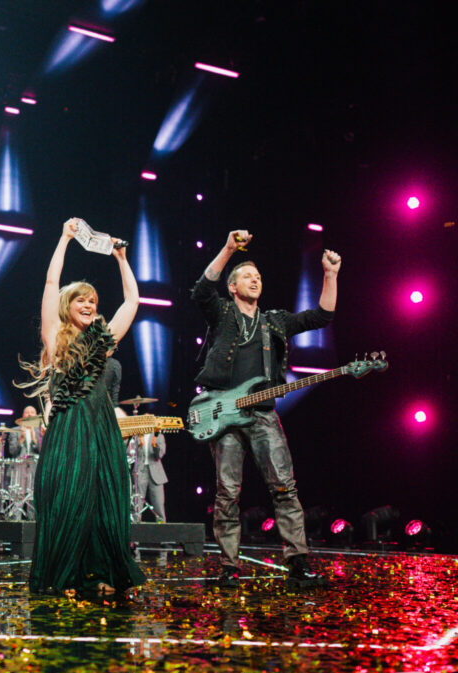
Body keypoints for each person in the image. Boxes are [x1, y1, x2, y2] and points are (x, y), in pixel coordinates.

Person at [193, 229, 339, 587]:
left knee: (284, 487)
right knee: (228, 492)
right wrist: (229, 247)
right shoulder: (223, 313)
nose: (255, 279)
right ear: (233, 287)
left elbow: (320, 317)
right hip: (224, 415)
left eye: (257, 276)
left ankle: (298, 565)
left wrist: (330, 275)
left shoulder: (274, 321)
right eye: (246, 275)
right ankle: (229, 567)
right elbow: (201, 291)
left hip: (262, 414)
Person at [24, 218, 144, 598]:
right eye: (82, 300)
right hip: (69, 425)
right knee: (68, 498)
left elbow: (132, 302)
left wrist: (122, 259)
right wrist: (63, 239)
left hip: (101, 426)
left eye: (93, 301)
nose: (90, 305)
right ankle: (67, 573)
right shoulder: (55, 336)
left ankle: (100, 571)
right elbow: (48, 284)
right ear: (68, 306)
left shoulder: (103, 343)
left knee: (105, 499)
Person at [129, 431, 167, 522]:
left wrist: (155, 445)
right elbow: (130, 453)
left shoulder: (158, 436)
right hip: (140, 471)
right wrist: (137, 444)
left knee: (158, 503)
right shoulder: (136, 436)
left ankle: (162, 528)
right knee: (137, 502)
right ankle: (136, 526)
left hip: (156, 472)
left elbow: (160, 455)